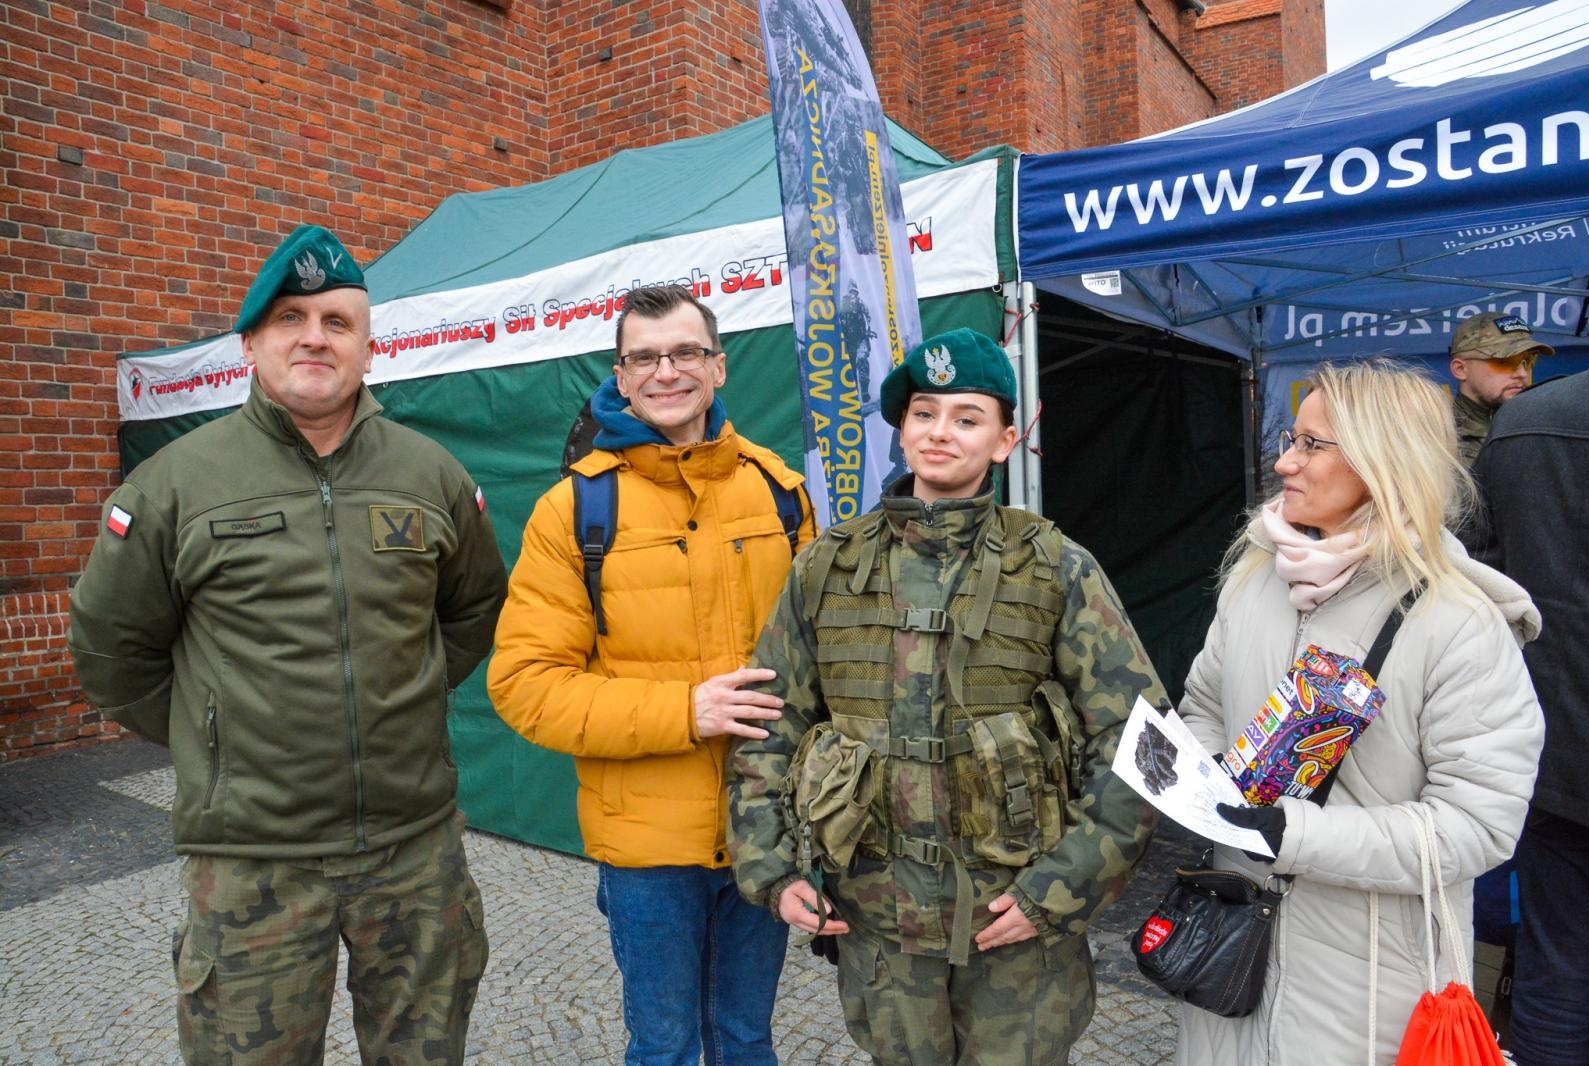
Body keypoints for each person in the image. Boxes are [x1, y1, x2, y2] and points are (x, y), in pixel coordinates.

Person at [67, 224, 507, 1065]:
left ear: (368, 349)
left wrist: (400, 696)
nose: (315, 336)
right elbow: (112, 652)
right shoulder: (172, 485)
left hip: (414, 852)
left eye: (338, 321)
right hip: (253, 863)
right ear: (251, 346)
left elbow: (472, 610)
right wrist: (216, 731)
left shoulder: (432, 474)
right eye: (291, 318)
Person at [727, 328, 1163, 1065]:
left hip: (1012, 916)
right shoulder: (827, 569)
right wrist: (771, 867)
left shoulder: (1054, 566)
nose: (941, 433)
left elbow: (1137, 745)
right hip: (879, 918)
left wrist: (1056, 890)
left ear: (1005, 440)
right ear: (900, 430)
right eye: (924, 413)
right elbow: (770, 726)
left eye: (967, 417)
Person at [1177, 358, 1544, 1064]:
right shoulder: (1255, 579)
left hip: (1371, 999)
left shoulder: (1460, 624)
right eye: (1292, 437)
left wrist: (1291, 832)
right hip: (1230, 967)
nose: (1284, 461)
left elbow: (1477, 826)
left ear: (1384, 461)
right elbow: (1202, 704)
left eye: (1312, 445)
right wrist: (1200, 777)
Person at [487, 284, 815, 1066]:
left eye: (686, 352)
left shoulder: (779, 492)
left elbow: (819, 661)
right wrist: (684, 711)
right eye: (645, 357)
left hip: (762, 827)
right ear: (622, 376)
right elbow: (524, 684)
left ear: (720, 367)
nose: (667, 371)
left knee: (746, 1040)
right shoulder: (573, 510)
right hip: (645, 850)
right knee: (662, 1046)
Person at [1463, 363, 1589, 1066]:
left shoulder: (1526, 426)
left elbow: (1480, 585)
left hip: (1560, 759)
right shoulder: (1525, 424)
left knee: (1558, 973)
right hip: (1557, 764)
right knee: (1557, 972)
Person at [1448, 311, 1551, 464]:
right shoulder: (1438, 437)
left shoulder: (1539, 428)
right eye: (1505, 362)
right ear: (1460, 369)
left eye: (1529, 360)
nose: (1522, 373)